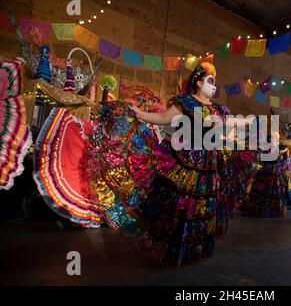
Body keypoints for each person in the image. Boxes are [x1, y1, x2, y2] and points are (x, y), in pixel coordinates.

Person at [88, 62, 253, 265]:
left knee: (203, 205)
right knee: (182, 205)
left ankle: (194, 247)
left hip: (210, 163)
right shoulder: (185, 103)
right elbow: (163, 118)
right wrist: (140, 114)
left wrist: (245, 122)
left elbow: (228, 122)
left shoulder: (217, 109)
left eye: (215, 82)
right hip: (188, 160)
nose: (214, 86)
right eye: (210, 81)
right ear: (198, 82)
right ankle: (175, 248)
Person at [240, 132, 289, 217]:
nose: (278, 137)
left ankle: (268, 209)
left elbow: (281, 155)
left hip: (274, 170)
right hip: (268, 169)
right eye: (276, 136)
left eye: (277, 136)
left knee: (272, 189)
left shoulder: (276, 146)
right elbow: (261, 153)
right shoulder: (268, 145)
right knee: (265, 188)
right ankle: (260, 209)